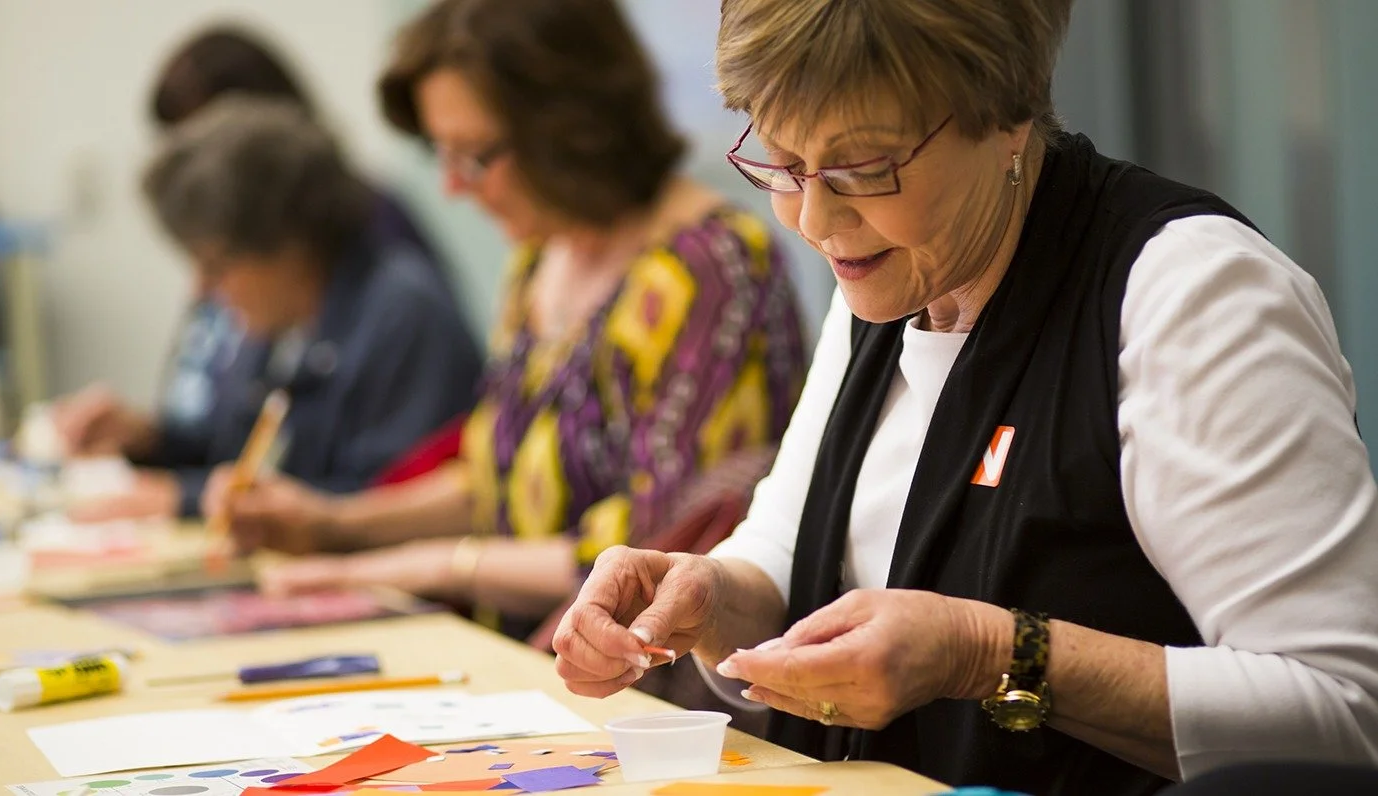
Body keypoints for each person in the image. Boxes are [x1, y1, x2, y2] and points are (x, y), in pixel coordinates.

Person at [551, 0, 1378, 794]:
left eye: (865, 169)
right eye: (782, 161)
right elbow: (787, 548)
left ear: (1009, 115)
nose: (813, 219)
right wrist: (704, 598)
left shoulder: (1192, 297)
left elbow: (1342, 711)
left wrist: (991, 654)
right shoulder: (888, 270)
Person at [212, 0, 807, 643]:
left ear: (572, 129)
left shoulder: (708, 266)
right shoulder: (540, 254)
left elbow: (655, 546)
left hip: (632, 681)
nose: (453, 187)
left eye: (474, 156)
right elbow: (497, 482)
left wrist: (425, 566)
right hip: (524, 659)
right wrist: (332, 523)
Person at [53, 25, 478, 519]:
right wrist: (147, 441)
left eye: (217, 265)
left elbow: (380, 503)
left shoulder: (402, 316)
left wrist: (184, 500)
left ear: (285, 243)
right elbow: (233, 455)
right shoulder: (277, 327)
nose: (202, 289)